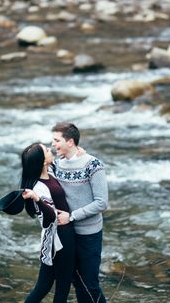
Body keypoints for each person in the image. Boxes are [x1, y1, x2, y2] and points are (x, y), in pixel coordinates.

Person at [51, 122, 109, 303]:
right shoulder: (57, 165)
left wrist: (72, 216)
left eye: (56, 140)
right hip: (67, 234)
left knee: (89, 284)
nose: (53, 144)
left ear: (70, 142)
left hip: (89, 234)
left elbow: (102, 203)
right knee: (76, 282)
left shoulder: (93, 165)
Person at [20, 143, 76, 303]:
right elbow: (51, 217)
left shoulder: (51, 173)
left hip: (58, 237)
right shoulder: (38, 188)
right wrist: (37, 199)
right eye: (46, 150)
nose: (50, 150)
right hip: (61, 238)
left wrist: (77, 153)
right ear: (42, 161)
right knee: (61, 288)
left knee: (43, 286)